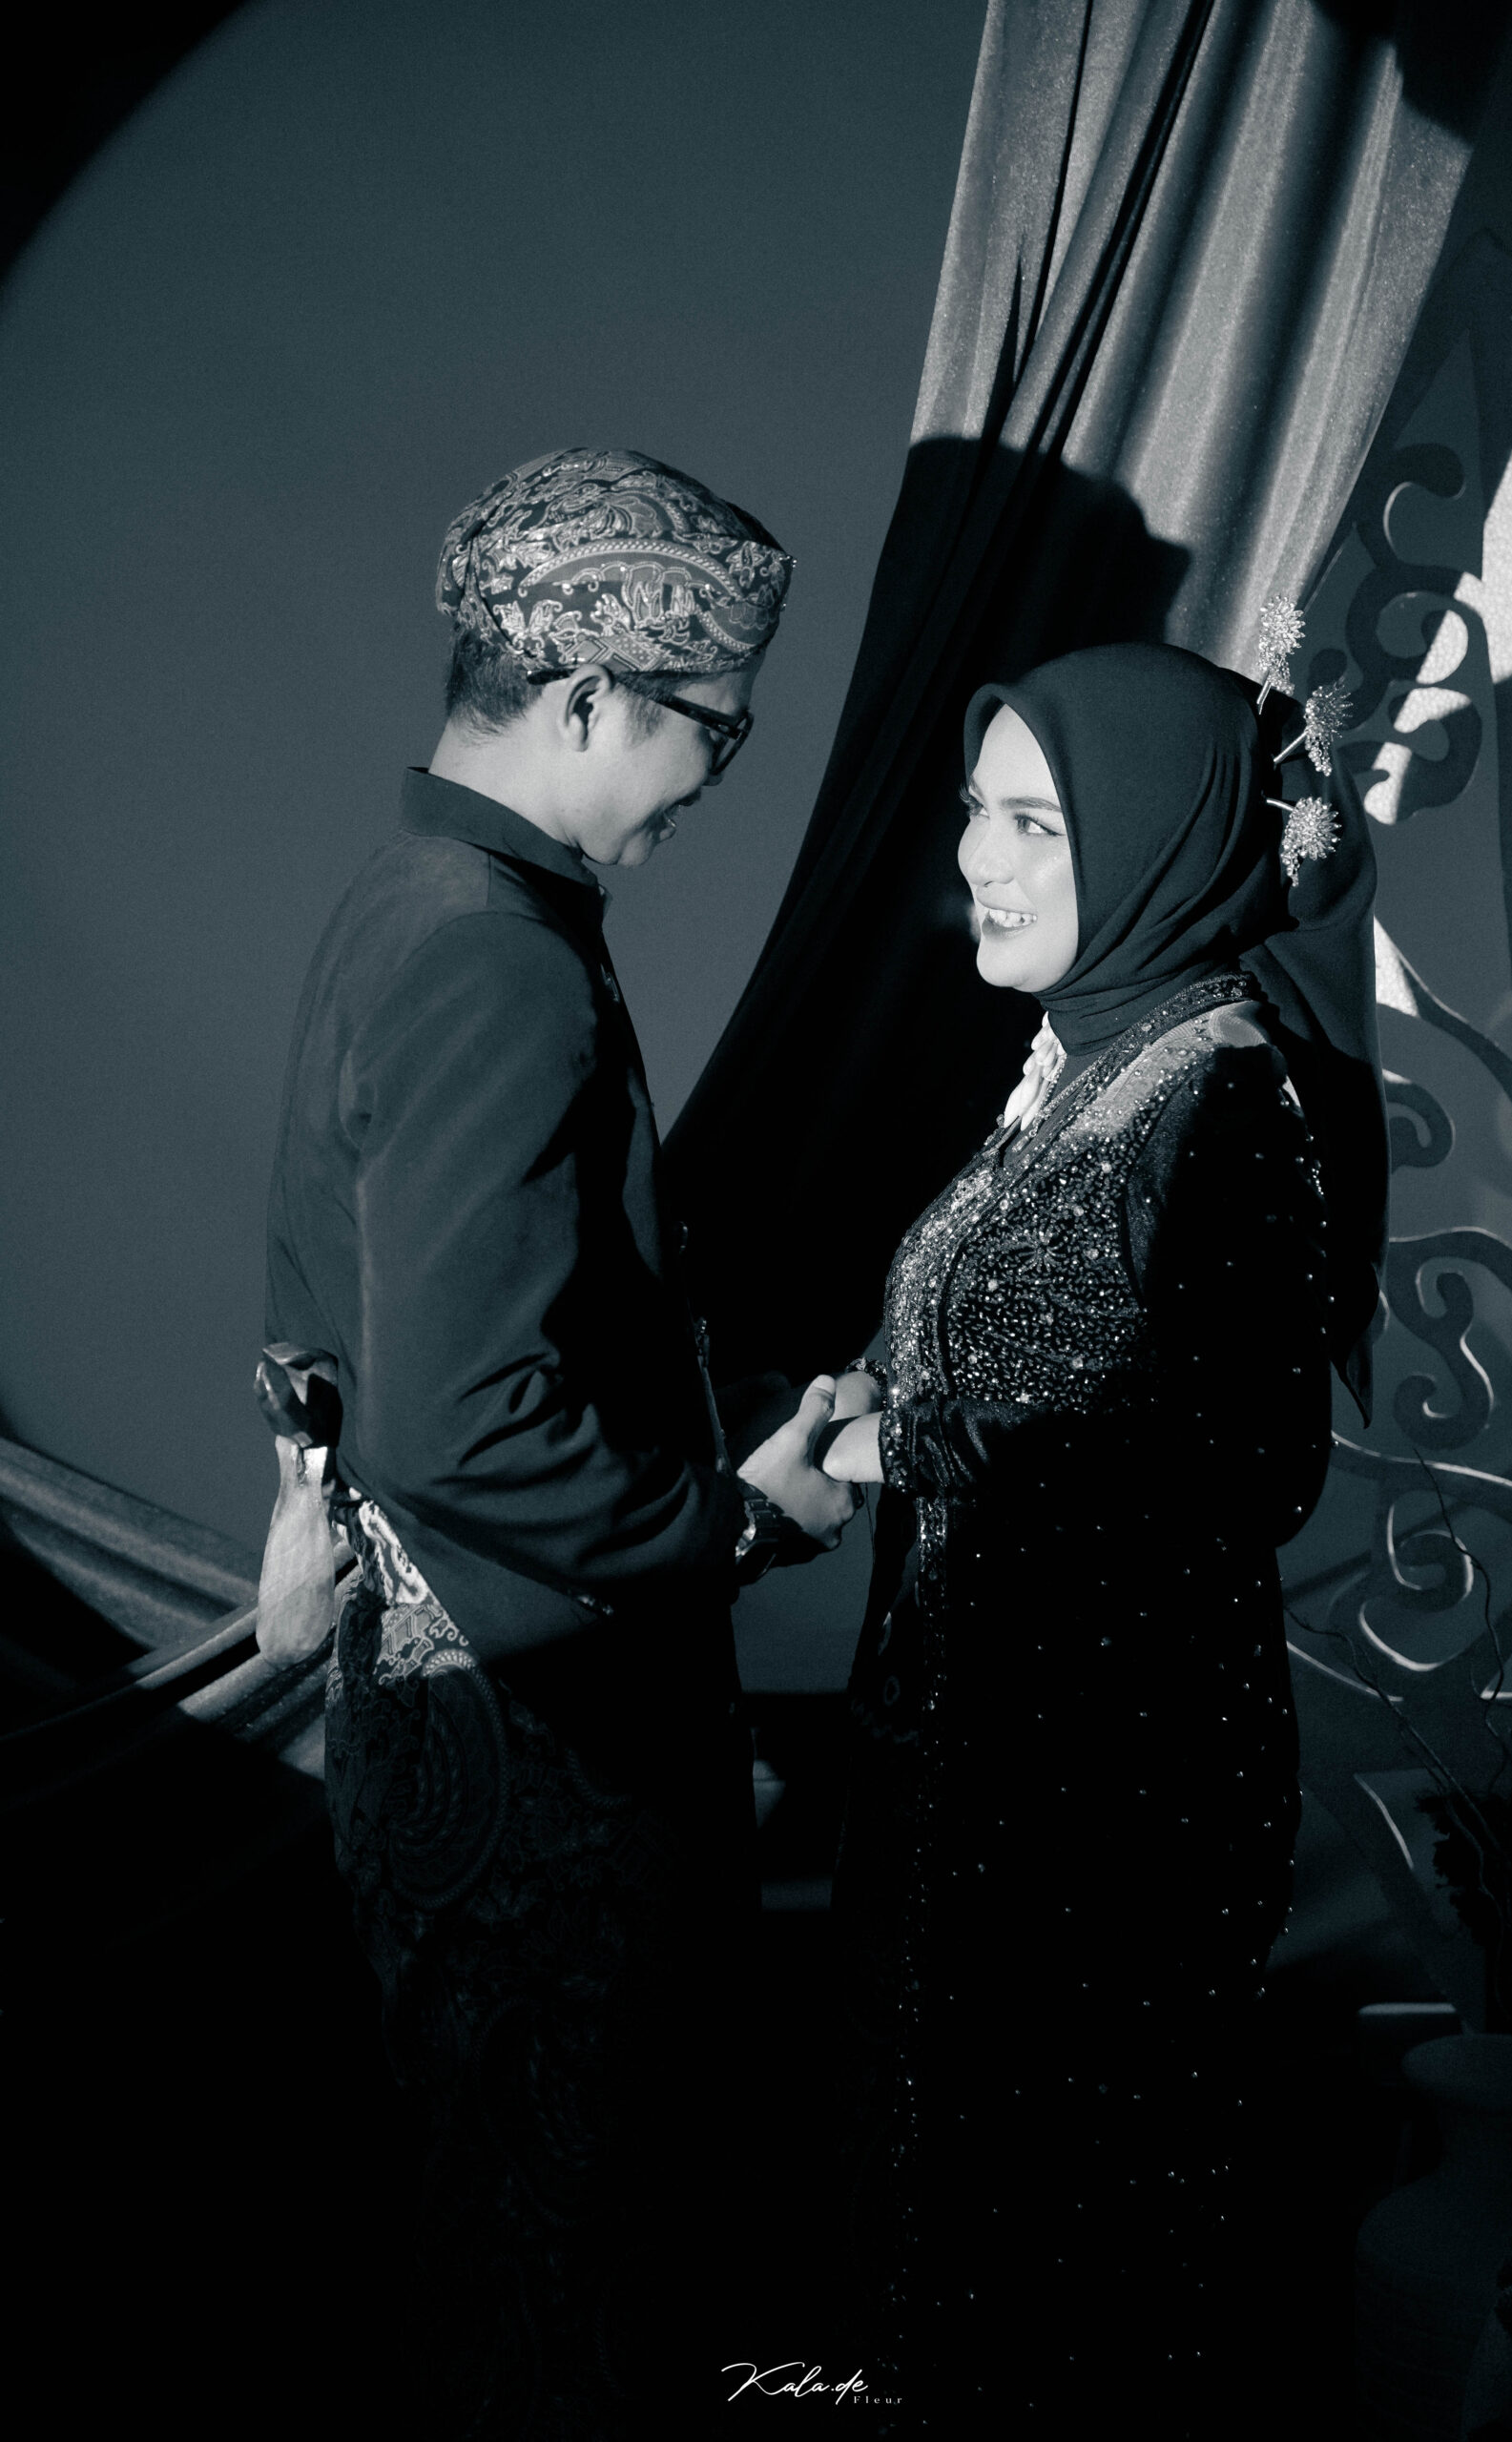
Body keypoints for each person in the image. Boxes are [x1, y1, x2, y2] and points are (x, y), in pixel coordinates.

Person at [259, 447, 855, 2439]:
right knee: (560, 2279)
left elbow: (361, 1335)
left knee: (497, 2251)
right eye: (715, 726)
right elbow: (470, 1423)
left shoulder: (415, 897)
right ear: (591, 695)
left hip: (451, 1708)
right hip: (535, 1754)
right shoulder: (492, 952)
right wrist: (738, 1522)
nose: (715, 776)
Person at [818, 642, 1386, 2431]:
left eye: (1034, 823)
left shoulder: (1221, 1093)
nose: (975, 858)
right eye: (974, 811)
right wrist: (880, 1392)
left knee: (1061, 2295)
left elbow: (1236, 1460)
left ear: (1151, 836)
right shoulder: (1089, 1062)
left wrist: (904, 1439)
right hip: (983, 1779)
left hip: (1101, 1805)